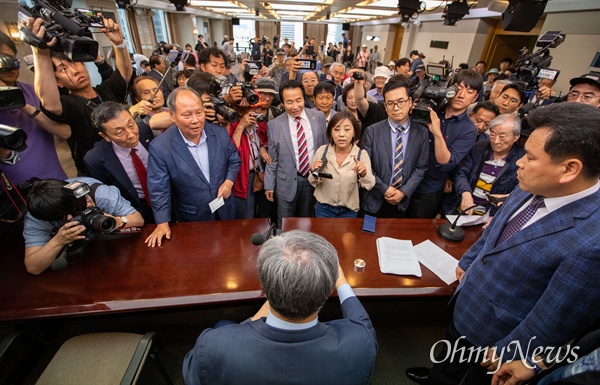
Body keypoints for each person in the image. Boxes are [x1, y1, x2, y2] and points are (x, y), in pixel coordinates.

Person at [406, 102, 600, 385]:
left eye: (531, 158)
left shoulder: (591, 240)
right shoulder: (533, 183)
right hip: (471, 303)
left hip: (501, 339)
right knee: (449, 362)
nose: (520, 161)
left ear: (569, 169)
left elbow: (556, 315)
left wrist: (510, 351)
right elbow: (496, 230)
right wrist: (470, 260)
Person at [183, 230, 378, 385]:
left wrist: (273, 295)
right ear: (327, 292)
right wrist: (342, 282)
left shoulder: (213, 346)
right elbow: (362, 323)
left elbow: (192, 372)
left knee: (223, 324)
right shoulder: (361, 344)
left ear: (264, 288)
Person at [23, 16, 133, 175]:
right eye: (63, 69)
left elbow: (126, 74)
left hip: (129, 156)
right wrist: (40, 53)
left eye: (74, 63)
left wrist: (119, 43)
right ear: (58, 82)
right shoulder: (70, 104)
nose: (74, 71)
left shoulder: (105, 90)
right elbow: (50, 104)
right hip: (102, 170)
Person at [145, 88, 241, 247]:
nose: (195, 120)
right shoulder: (160, 147)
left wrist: (229, 182)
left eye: (199, 112)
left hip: (225, 210)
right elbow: (158, 188)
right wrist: (162, 222)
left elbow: (234, 160)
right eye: (187, 115)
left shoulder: (219, 133)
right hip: (193, 217)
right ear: (172, 115)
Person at [23, 177, 144, 275]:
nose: (88, 205)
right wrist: (59, 240)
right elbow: (33, 267)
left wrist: (118, 220)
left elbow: (138, 220)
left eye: (85, 199)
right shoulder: (38, 218)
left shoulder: (100, 194)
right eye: (77, 212)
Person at [407, 69, 481, 218]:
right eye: (458, 88)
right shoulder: (431, 108)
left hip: (428, 190)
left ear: (475, 97)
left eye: (469, 91)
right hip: (405, 180)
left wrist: (437, 132)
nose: (461, 95)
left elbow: (446, 162)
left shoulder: (469, 130)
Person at [0, 31, 69, 185]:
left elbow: (64, 132)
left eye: (10, 58)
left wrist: (23, 105)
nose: (7, 66)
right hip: (14, 195)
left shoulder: (32, 92)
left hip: (55, 181)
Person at [360, 77, 429, 218]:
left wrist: (403, 192)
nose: (396, 107)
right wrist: (385, 189)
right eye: (390, 103)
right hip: (374, 200)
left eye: (401, 102)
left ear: (410, 102)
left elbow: (421, 168)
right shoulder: (372, 131)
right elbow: (365, 167)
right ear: (385, 106)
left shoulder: (421, 132)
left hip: (403, 202)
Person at [264, 80, 327, 227]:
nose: (294, 106)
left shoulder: (318, 117)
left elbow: (325, 149)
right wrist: (269, 185)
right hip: (285, 183)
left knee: (307, 224)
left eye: (298, 100)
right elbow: (272, 159)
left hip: (312, 180)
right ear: (282, 103)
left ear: (304, 98)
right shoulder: (274, 125)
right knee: (284, 224)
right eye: (289, 102)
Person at [84, 102, 154, 224]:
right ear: (105, 136)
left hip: (164, 199)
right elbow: (104, 193)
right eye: (120, 132)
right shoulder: (95, 159)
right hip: (135, 209)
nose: (131, 135)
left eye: (131, 125)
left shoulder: (144, 131)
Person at [447, 114, 524, 217]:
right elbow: (461, 172)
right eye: (492, 134)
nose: (496, 141)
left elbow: (522, 191)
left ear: (516, 137)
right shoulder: (479, 148)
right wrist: (465, 192)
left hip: (492, 216)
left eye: (502, 136)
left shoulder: (522, 160)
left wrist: (506, 198)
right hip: (463, 208)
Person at [309, 111, 375, 218]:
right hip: (323, 210)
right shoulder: (322, 151)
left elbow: (370, 184)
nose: (341, 134)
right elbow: (312, 182)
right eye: (336, 129)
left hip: (348, 212)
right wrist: (313, 172)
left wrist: (363, 173)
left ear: (354, 132)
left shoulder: (361, 154)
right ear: (331, 132)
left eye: (347, 129)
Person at [228, 102, 268, 219]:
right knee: (246, 216)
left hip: (258, 174)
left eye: (259, 108)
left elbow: (263, 142)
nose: (256, 112)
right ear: (240, 111)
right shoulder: (233, 126)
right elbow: (232, 152)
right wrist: (241, 126)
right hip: (241, 177)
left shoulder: (261, 125)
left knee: (261, 214)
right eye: (252, 109)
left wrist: (263, 149)